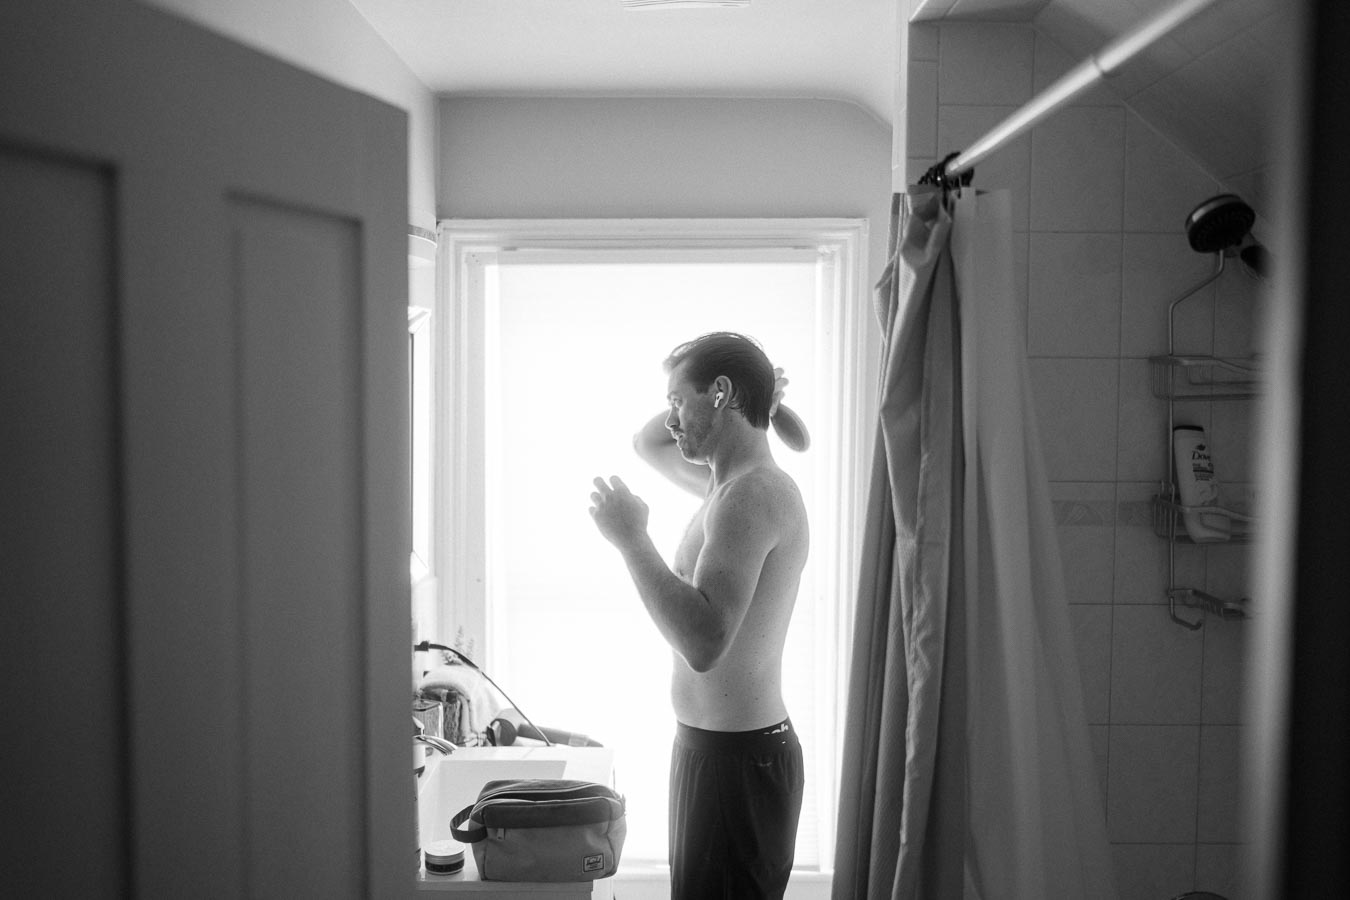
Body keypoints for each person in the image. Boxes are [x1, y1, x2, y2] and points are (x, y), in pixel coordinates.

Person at [588, 331, 809, 900]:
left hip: (739, 765)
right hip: (713, 753)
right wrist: (748, 397)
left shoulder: (750, 497)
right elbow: (646, 442)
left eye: (676, 401)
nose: (670, 420)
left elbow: (706, 644)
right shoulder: (722, 486)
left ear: (720, 392)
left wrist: (632, 541)